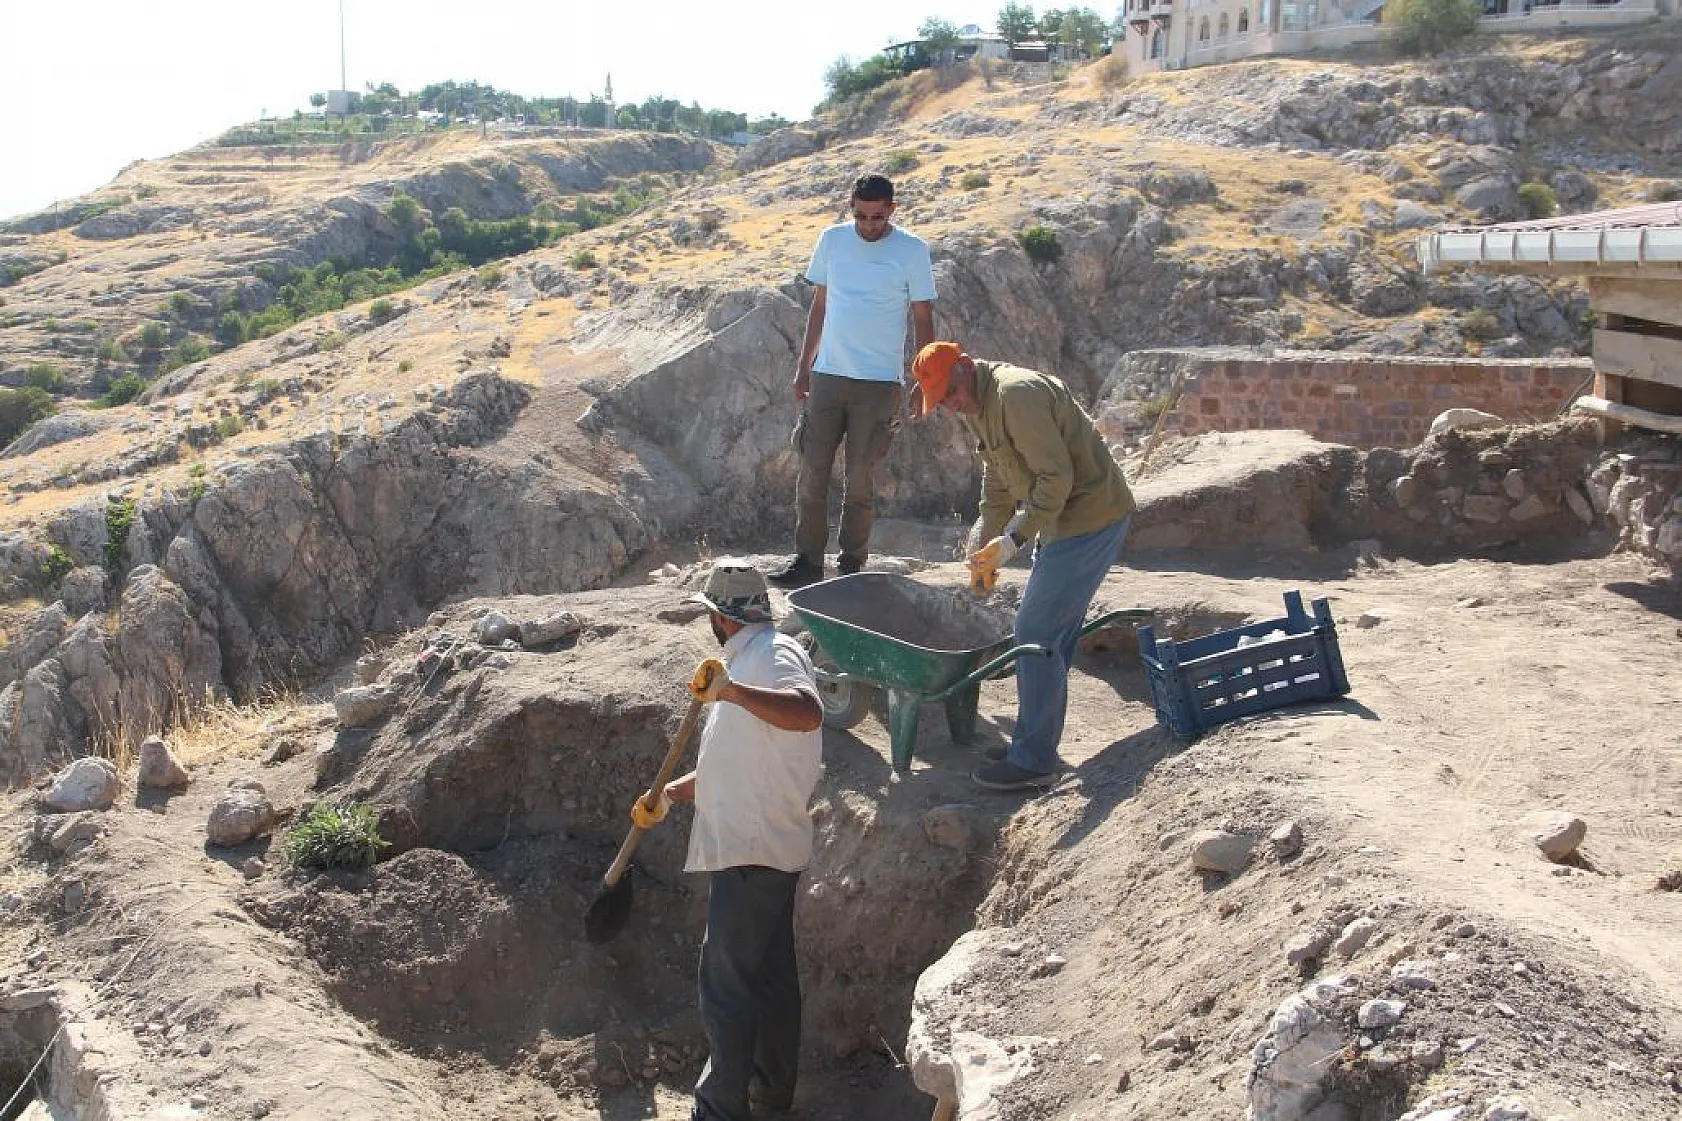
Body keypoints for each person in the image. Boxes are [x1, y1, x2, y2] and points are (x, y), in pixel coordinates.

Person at [630, 559, 825, 1121]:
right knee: (766, 979)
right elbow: (733, 764)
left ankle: (718, 1110)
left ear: (721, 616)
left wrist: (732, 691)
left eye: (710, 613)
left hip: (753, 848)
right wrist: (668, 794)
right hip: (760, 845)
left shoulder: (773, 656)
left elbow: (808, 713)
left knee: (725, 987)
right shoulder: (742, 665)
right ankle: (770, 1097)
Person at [910, 341, 1138, 793]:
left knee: (1035, 631)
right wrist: (985, 543)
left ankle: (1034, 760)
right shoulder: (980, 403)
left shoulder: (1016, 396)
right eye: (943, 403)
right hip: (1060, 525)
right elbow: (998, 479)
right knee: (1049, 635)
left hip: (1089, 520)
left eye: (950, 394)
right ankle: (1033, 744)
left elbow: (1057, 479)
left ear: (966, 367)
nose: (952, 407)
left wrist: (1012, 541)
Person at [769, 174, 937, 588]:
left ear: (892, 211)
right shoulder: (832, 240)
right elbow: (820, 305)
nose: (868, 225)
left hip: (879, 384)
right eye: (860, 216)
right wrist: (804, 365)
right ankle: (807, 561)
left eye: (877, 217)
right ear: (851, 208)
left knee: (860, 479)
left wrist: (925, 378)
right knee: (812, 473)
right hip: (828, 376)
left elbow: (922, 317)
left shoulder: (912, 251)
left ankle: (850, 566)